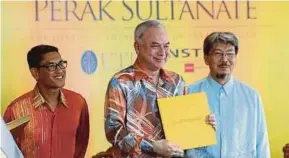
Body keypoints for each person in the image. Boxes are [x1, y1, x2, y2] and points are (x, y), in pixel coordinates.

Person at [104, 20, 216, 158]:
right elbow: (114, 130)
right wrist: (153, 146)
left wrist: (203, 124)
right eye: (155, 46)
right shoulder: (121, 82)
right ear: (137, 47)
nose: (163, 52)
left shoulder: (176, 82)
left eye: (166, 46)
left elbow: (187, 134)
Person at [186, 32, 270, 158]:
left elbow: (261, 143)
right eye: (218, 54)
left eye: (230, 54)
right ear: (206, 58)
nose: (225, 60)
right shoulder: (189, 94)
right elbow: (181, 144)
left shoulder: (252, 96)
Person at [3, 45, 90, 158]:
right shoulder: (16, 110)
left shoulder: (78, 103)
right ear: (35, 73)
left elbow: (80, 147)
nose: (60, 70)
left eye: (61, 64)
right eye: (51, 66)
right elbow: (5, 151)